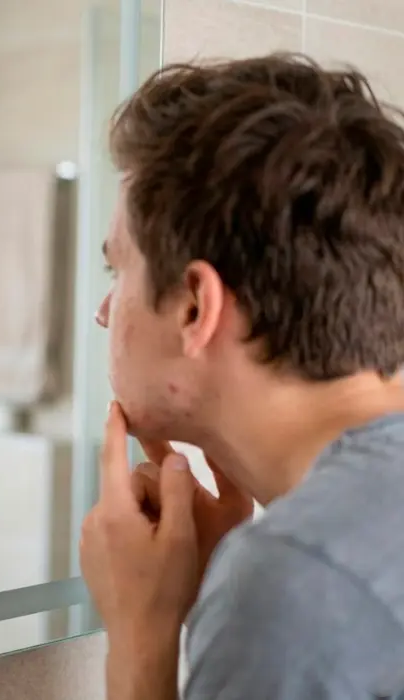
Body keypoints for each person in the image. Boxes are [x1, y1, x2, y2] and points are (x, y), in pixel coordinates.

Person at [79, 52, 404, 699]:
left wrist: (142, 640)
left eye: (119, 270)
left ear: (196, 306)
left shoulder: (298, 577)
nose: (103, 311)